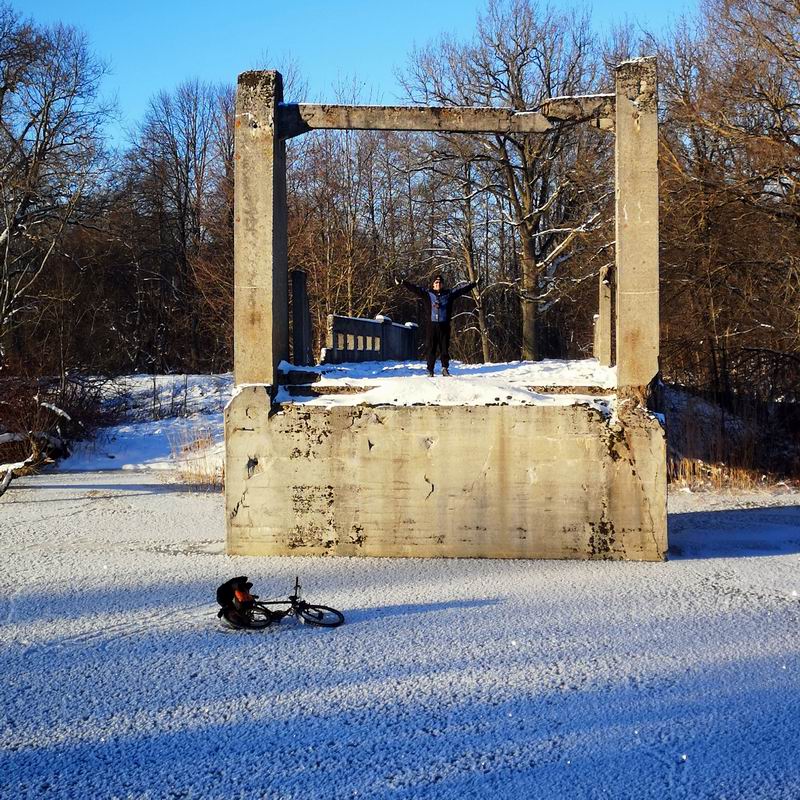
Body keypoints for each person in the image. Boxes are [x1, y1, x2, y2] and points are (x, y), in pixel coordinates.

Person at [396, 273, 478, 376]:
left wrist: (474, 284)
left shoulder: (448, 294)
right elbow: (414, 288)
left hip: (444, 325)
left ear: (442, 284)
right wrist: (403, 282)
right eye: (436, 282)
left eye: (440, 282)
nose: (438, 284)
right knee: (431, 348)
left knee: (444, 348)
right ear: (433, 284)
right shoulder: (428, 294)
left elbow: (460, 290)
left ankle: (444, 368)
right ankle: (430, 370)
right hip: (432, 325)